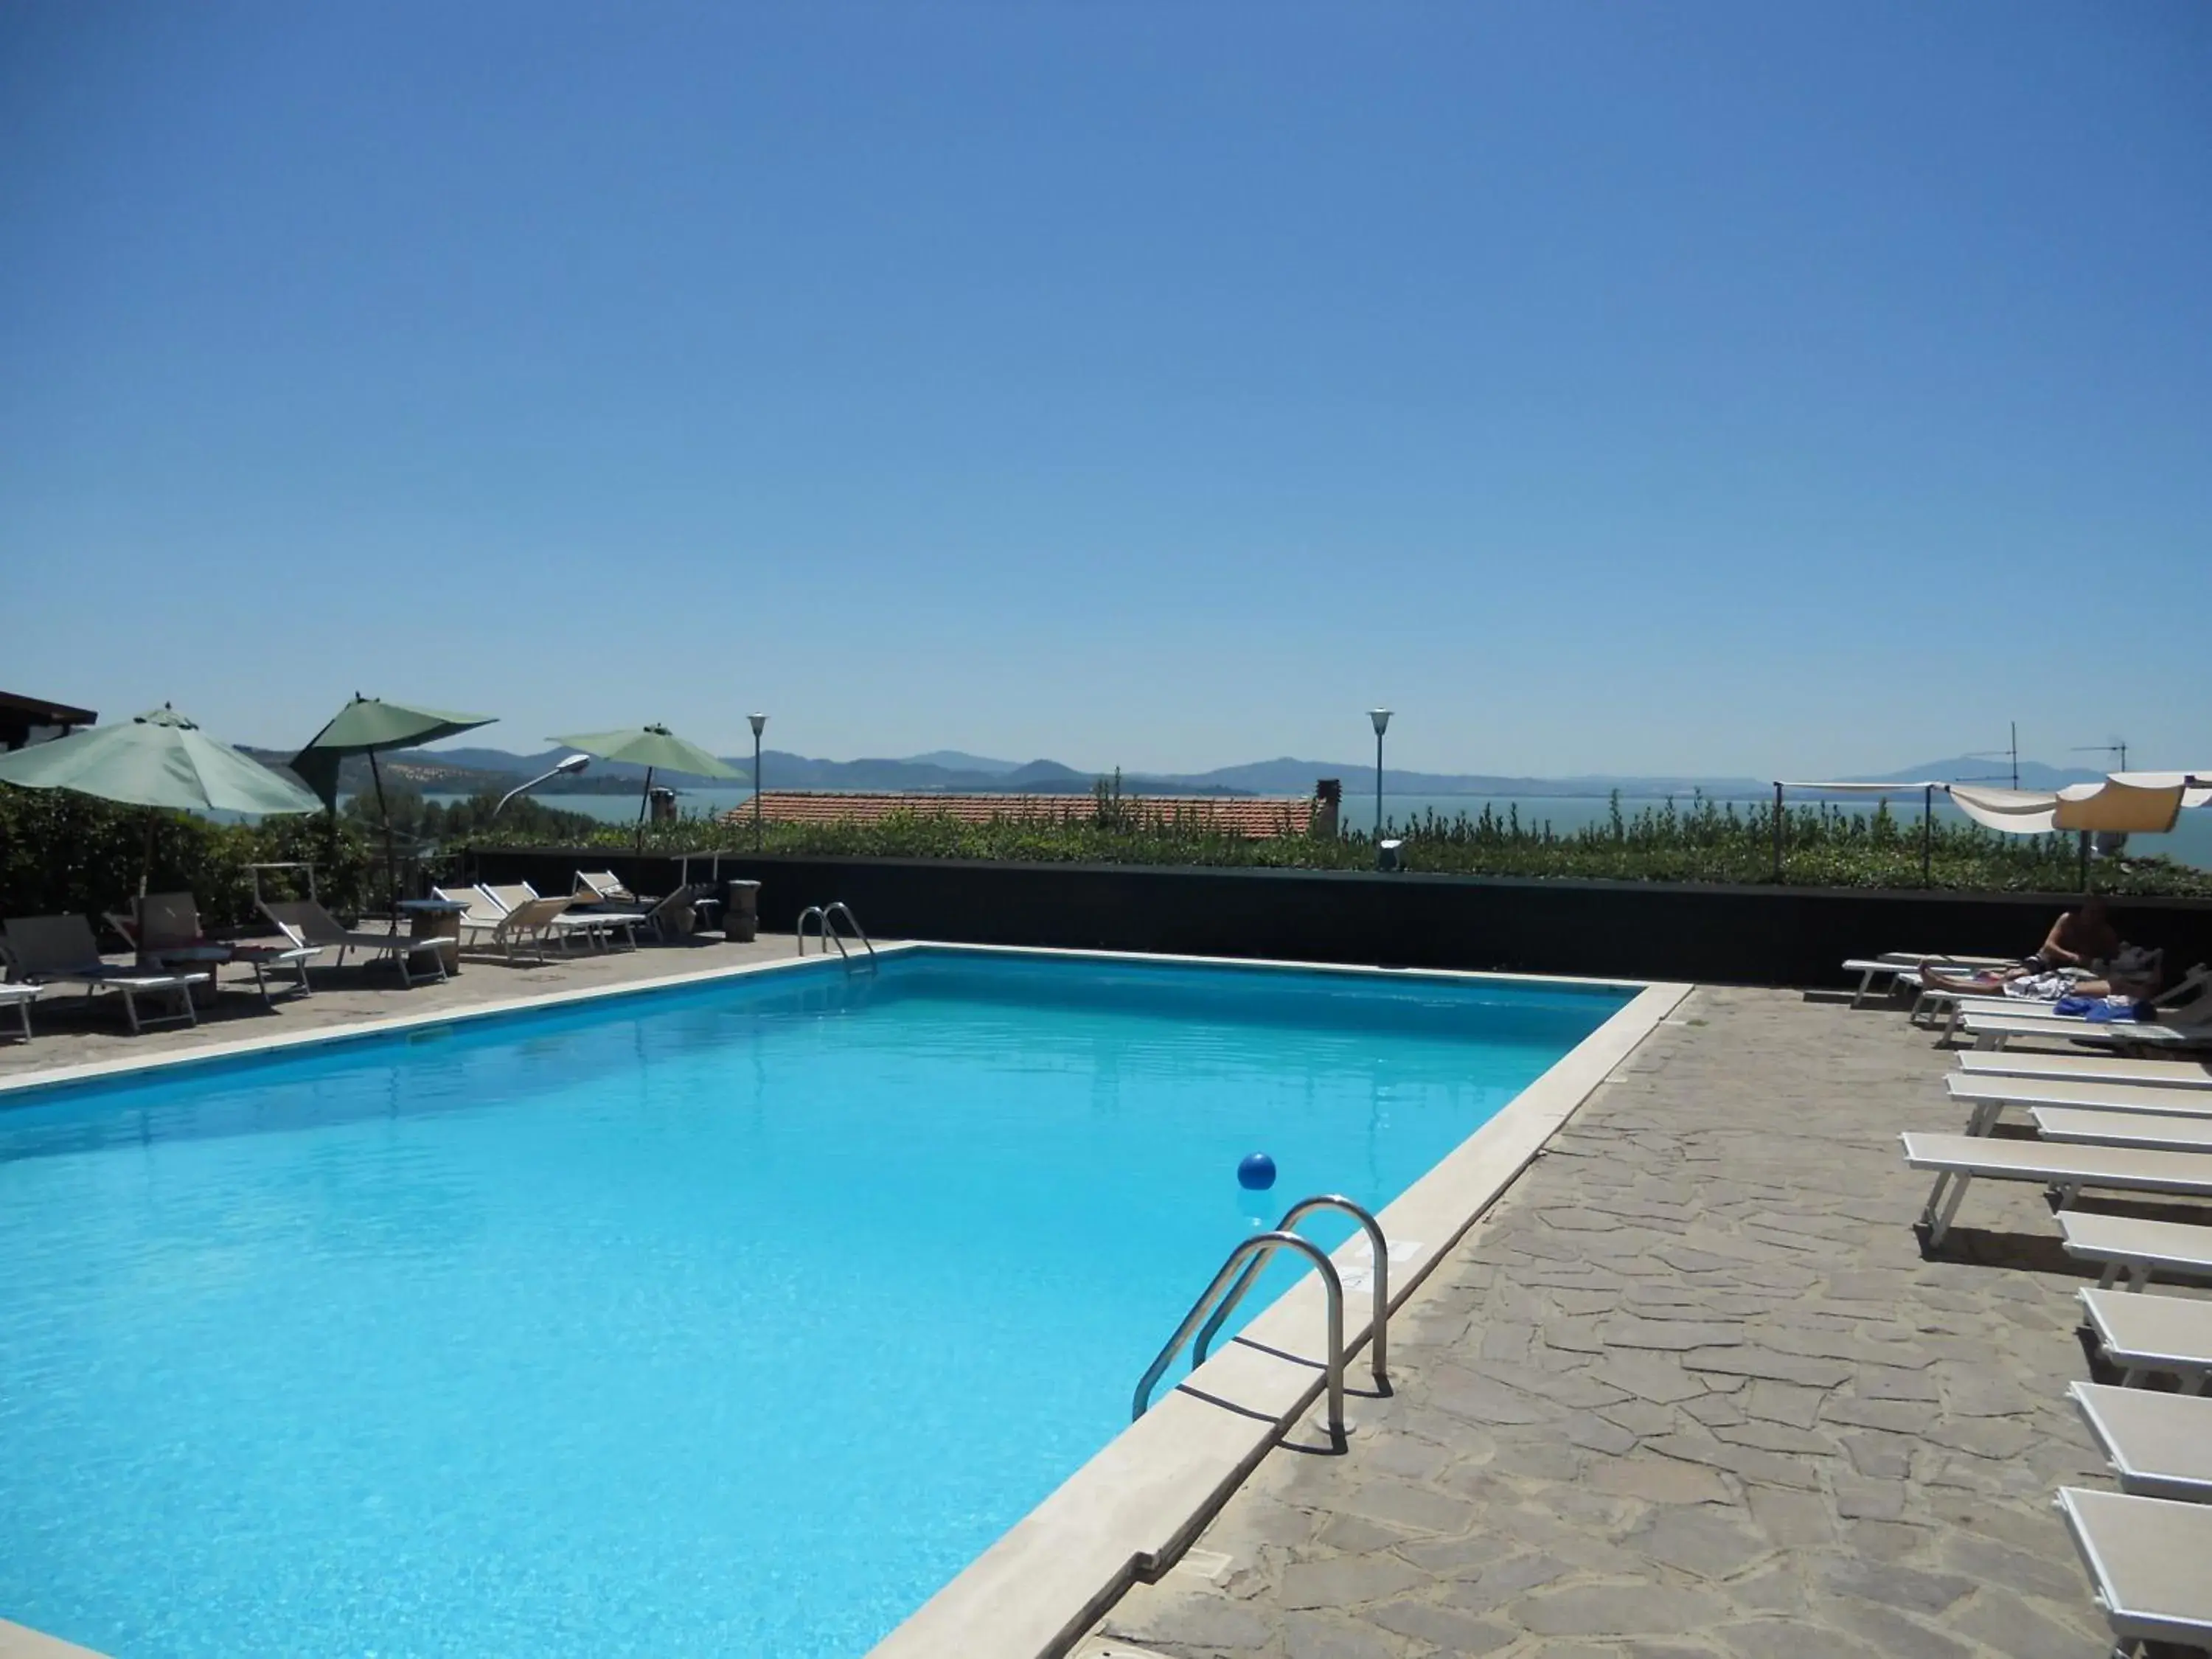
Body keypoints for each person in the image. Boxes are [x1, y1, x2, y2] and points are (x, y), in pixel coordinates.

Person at [1917, 897, 2124, 999]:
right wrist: (2074, 957)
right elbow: (2049, 947)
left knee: (2007, 982)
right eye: (2089, 912)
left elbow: (2112, 959)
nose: (2092, 917)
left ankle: (1944, 982)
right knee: (2015, 976)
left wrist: (2090, 963)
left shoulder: (2106, 934)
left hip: (2069, 975)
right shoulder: (2069, 920)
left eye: (2096, 913)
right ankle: (1943, 981)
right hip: (2051, 962)